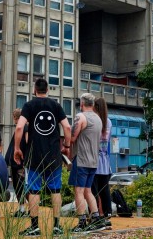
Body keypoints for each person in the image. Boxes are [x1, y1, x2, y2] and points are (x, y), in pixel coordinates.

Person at [14, 78, 72, 237]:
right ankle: (57, 226)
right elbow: (67, 127)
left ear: (34, 90)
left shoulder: (29, 105)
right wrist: (66, 146)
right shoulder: (55, 105)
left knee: (33, 191)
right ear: (48, 90)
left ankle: (34, 227)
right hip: (53, 155)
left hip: (34, 155)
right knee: (55, 190)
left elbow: (19, 127)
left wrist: (17, 148)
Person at [69, 93, 104, 232]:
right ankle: (96, 218)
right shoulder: (99, 119)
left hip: (82, 159)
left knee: (78, 191)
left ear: (82, 103)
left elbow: (72, 138)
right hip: (93, 161)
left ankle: (82, 221)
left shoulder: (80, 117)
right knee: (88, 190)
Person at [91, 97, 112, 228]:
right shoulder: (108, 122)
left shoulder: (94, 121)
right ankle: (107, 214)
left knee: (92, 191)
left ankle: (95, 216)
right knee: (105, 190)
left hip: (94, 159)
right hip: (105, 160)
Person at [5, 108, 28, 217]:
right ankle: (22, 209)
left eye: (15, 117)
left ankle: (25, 209)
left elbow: (27, 144)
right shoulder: (20, 129)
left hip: (20, 163)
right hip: (16, 163)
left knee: (21, 185)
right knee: (18, 186)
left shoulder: (25, 128)